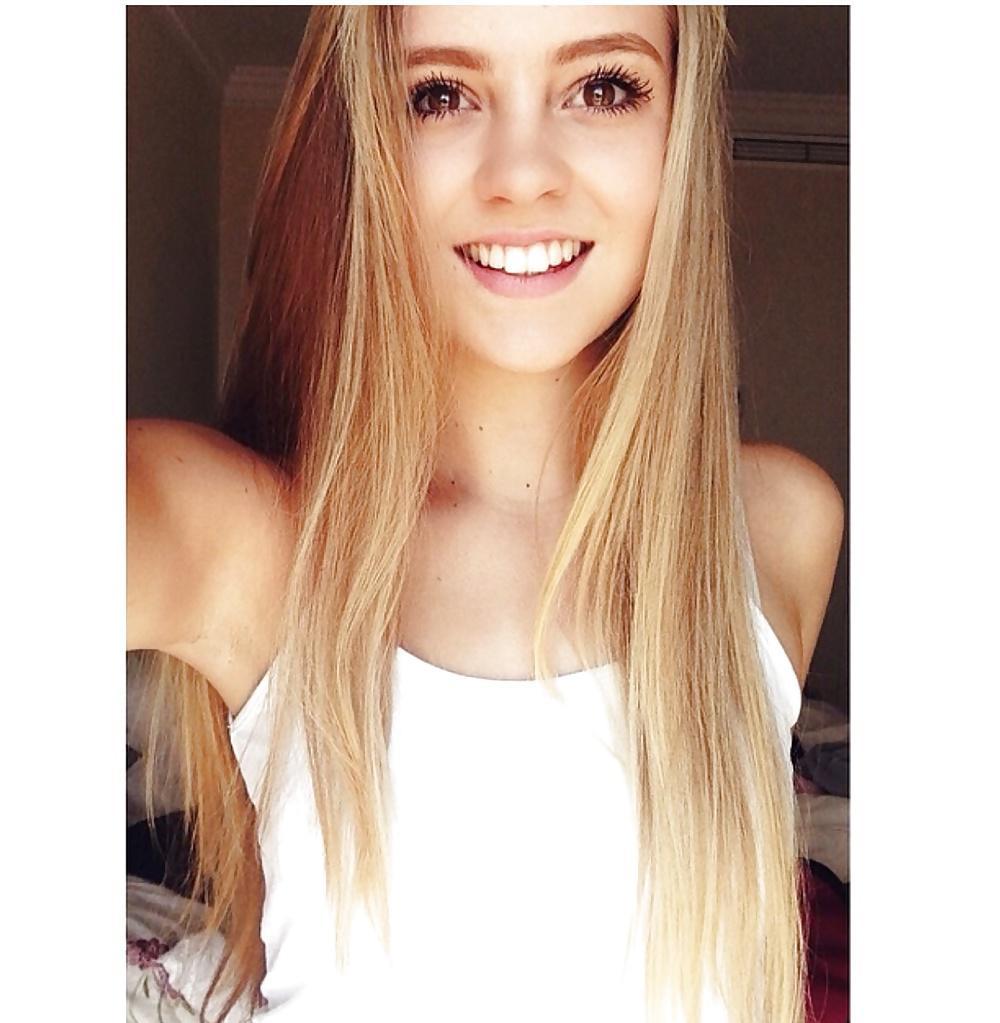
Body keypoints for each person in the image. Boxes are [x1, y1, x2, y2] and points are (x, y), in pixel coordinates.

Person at [127, 6, 843, 1022]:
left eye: (603, 87)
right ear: (366, 140)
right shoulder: (248, 539)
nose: (522, 175)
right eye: (440, 95)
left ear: (679, 126)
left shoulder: (781, 525)